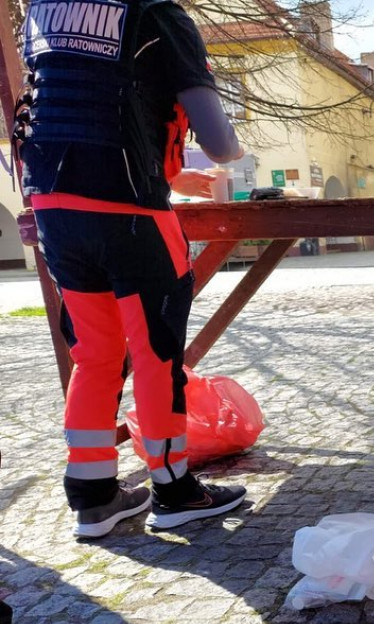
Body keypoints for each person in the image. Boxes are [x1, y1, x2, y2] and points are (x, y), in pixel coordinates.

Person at [16, 0, 247, 538]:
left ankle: (93, 498)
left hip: (56, 208)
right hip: (133, 215)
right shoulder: (157, 13)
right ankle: (175, 490)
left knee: (94, 355)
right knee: (155, 354)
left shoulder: (43, 13)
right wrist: (229, 153)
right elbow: (219, 142)